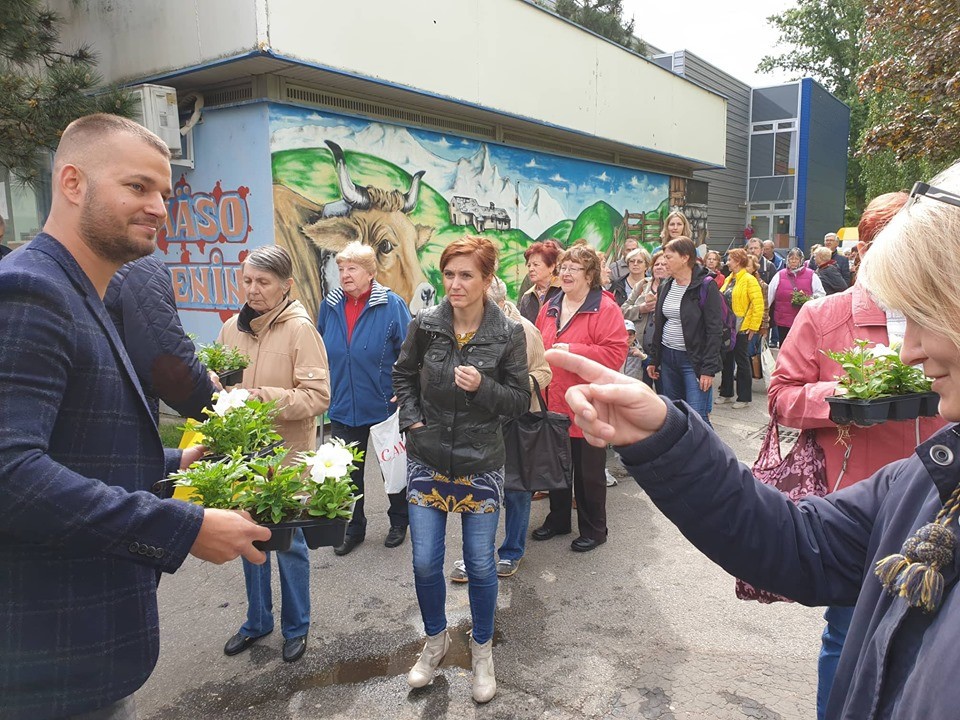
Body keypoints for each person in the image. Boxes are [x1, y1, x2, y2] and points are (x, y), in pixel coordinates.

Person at [547, 160, 960, 720]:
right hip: (845, 483)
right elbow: (797, 539)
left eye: (925, 314)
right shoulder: (931, 480)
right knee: (847, 634)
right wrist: (668, 437)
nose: (908, 350)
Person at [0, 113, 269, 720]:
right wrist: (183, 527)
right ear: (72, 183)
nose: (158, 207)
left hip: (84, 657)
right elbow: (11, 475)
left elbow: (73, 447)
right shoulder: (31, 292)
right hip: (47, 664)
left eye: (164, 193)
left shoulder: (86, 292)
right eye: (137, 187)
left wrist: (178, 462)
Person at [769, 190, 947, 720]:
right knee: (848, 631)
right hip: (857, 505)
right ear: (864, 252)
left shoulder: (944, 315)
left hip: (939, 501)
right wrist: (844, 399)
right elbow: (780, 396)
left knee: (929, 643)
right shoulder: (825, 316)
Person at [393, 235, 529, 703]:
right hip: (427, 457)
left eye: (466, 274)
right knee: (426, 560)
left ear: (487, 280)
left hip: (480, 462)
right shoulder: (426, 325)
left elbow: (519, 401)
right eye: (449, 273)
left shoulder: (507, 333)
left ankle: (483, 649)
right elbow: (403, 374)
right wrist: (410, 419)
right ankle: (435, 642)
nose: (454, 283)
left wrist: (483, 387)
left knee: (480, 565)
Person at [217, 245, 331, 664]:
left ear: (286, 286)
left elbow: (318, 396)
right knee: (249, 538)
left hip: (285, 459)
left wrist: (262, 397)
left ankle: (296, 627)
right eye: (247, 280)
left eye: (263, 282)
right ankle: (257, 620)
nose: (253, 289)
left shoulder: (301, 330)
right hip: (244, 457)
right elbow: (221, 383)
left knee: (289, 544)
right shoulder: (231, 329)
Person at [449, 276, 551, 582]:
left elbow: (544, 371)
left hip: (515, 422)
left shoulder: (523, 330)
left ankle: (510, 552)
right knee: (477, 489)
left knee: (516, 489)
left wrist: (515, 389)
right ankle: (476, 556)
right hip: (476, 424)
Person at [316, 241, 411, 556]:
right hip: (343, 404)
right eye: (341, 268)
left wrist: (406, 386)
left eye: (352, 268)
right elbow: (320, 349)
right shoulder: (329, 305)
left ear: (370, 272)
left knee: (392, 468)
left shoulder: (391, 305)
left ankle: (399, 521)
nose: (345, 274)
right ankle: (353, 528)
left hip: (384, 403)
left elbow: (411, 352)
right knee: (347, 473)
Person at [533, 241, 628, 552]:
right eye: (563, 267)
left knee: (588, 473)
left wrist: (574, 351)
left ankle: (594, 528)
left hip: (589, 404)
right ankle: (559, 519)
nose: (566, 272)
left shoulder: (605, 307)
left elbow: (615, 355)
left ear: (590, 275)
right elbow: (536, 343)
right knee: (557, 467)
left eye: (574, 268)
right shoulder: (551, 305)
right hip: (554, 401)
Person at [104, 254, 219, 422]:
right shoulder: (138, 268)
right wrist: (220, 406)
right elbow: (170, 368)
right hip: (118, 421)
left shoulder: (60, 265)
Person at [646, 237, 722, 425]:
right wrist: (654, 359)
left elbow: (715, 330)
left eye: (669, 257)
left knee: (698, 417)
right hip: (668, 358)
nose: (664, 262)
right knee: (674, 416)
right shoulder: (666, 285)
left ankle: (711, 455)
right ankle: (681, 455)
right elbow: (659, 324)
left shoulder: (706, 286)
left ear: (685, 258)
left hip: (694, 361)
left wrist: (708, 369)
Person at [716, 248, 763, 408]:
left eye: (730, 259)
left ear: (737, 261)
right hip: (728, 326)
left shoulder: (749, 279)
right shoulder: (730, 279)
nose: (727, 262)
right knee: (727, 360)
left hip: (742, 326)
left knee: (742, 361)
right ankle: (726, 393)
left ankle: (744, 397)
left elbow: (758, 304)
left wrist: (753, 327)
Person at [765, 247, 824, 345]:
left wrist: (809, 299)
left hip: (804, 319)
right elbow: (769, 295)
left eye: (796, 259)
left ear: (801, 260)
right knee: (784, 345)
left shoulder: (811, 275)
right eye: (791, 259)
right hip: (783, 318)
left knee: (801, 346)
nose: (793, 261)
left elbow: (821, 294)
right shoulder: (780, 275)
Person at [517, 239, 563, 324]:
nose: (531, 269)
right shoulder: (527, 297)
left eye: (536, 265)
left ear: (551, 267)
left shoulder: (563, 291)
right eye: (529, 265)